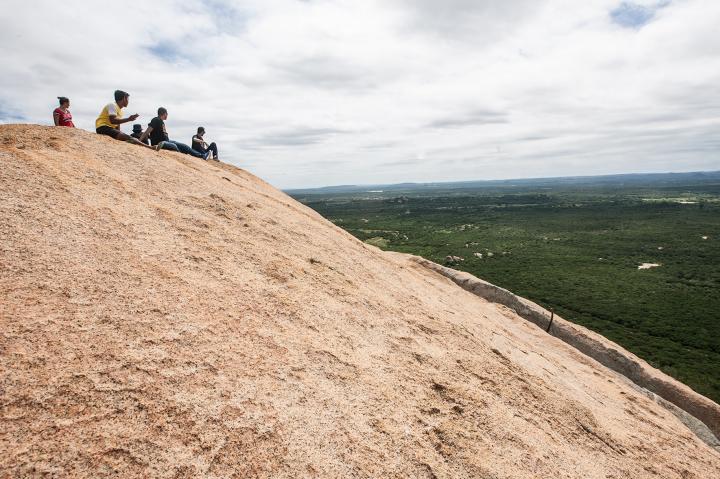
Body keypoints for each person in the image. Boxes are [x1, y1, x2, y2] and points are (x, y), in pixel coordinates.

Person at [95, 90, 159, 150]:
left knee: (129, 138)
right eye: (127, 99)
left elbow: (117, 124)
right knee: (130, 138)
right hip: (103, 127)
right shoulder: (112, 105)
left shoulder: (120, 110)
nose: (128, 101)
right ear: (124, 98)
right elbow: (113, 120)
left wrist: (120, 133)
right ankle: (150, 147)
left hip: (109, 129)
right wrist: (129, 119)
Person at [140, 107, 211, 160]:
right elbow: (147, 131)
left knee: (184, 147)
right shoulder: (156, 120)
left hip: (167, 140)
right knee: (175, 146)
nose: (167, 115)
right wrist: (139, 140)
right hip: (160, 143)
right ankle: (202, 156)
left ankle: (202, 155)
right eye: (167, 114)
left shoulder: (161, 121)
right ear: (164, 113)